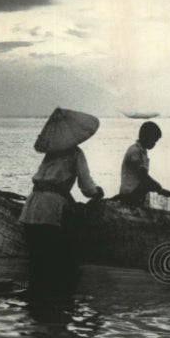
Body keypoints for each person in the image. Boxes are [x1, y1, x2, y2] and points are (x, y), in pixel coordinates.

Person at [19, 107, 104, 279]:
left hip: (30, 209)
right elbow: (87, 187)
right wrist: (97, 193)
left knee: (37, 263)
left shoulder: (50, 155)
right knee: (56, 263)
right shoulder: (76, 154)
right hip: (50, 211)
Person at [118, 121, 170, 206]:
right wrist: (159, 188)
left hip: (137, 194)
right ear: (146, 137)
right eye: (154, 140)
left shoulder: (142, 152)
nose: (154, 144)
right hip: (129, 195)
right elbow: (143, 176)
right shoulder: (134, 151)